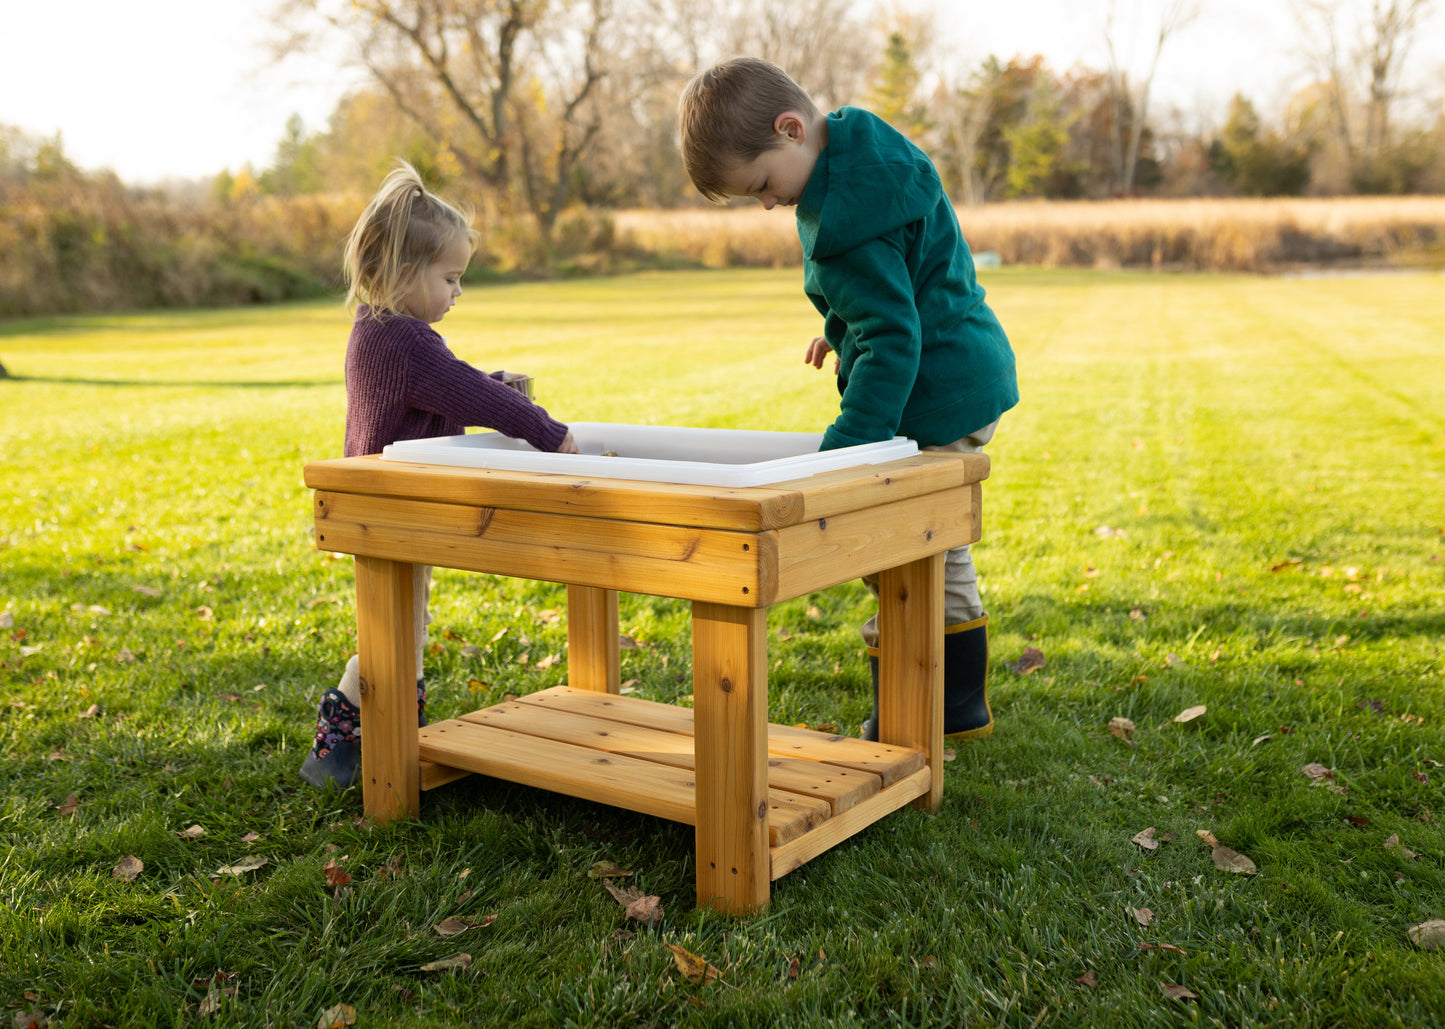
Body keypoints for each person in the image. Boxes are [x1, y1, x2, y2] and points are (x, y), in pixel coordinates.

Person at [678, 57, 1019, 743]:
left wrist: (847, 452)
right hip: (967, 366)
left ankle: (937, 704)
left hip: (935, 394)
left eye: (763, 186)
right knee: (934, 541)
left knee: (903, 545)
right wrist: (841, 328)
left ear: (791, 128)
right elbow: (901, 286)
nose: (770, 205)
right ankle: (954, 703)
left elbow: (893, 337)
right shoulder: (867, 151)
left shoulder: (843, 222)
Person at [300, 161, 580, 788]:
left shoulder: (377, 330)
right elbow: (468, 394)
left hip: (382, 503)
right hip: (396, 506)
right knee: (396, 634)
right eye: (450, 277)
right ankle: (344, 751)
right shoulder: (406, 340)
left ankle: (383, 734)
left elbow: (454, 387)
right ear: (403, 273)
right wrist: (548, 431)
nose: (458, 291)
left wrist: (495, 387)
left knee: (400, 627)